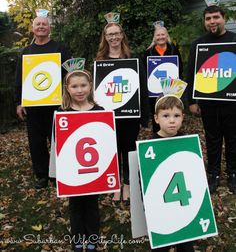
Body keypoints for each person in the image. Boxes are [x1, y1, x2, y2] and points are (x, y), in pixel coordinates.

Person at [96, 21, 150, 202]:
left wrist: (144, 116)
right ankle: (114, 184)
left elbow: (143, 87)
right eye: (110, 34)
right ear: (105, 37)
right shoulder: (100, 61)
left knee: (128, 148)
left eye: (116, 33)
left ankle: (127, 184)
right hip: (108, 117)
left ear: (122, 35)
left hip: (130, 116)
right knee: (112, 150)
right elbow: (96, 92)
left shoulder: (133, 58)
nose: (113, 37)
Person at [15, 16, 70, 189]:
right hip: (33, 106)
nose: (41, 27)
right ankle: (42, 176)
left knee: (58, 141)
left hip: (57, 105)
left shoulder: (60, 48)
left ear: (49, 28)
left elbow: (70, 75)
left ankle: (58, 174)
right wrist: (19, 102)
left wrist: (70, 98)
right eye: (38, 24)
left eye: (44, 24)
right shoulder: (26, 52)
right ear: (33, 28)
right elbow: (19, 79)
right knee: (36, 143)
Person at [187, 5, 236, 194]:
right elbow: (191, 73)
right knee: (212, 139)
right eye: (208, 19)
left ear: (224, 18)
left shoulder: (234, 40)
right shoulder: (197, 44)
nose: (212, 22)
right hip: (208, 103)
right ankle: (213, 174)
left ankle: (233, 174)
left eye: (216, 17)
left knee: (233, 139)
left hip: (232, 103)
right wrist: (191, 101)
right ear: (204, 22)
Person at [60, 69, 103, 252]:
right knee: (75, 205)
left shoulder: (100, 111)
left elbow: (105, 142)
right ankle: (77, 240)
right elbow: (58, 144)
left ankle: (92, 238)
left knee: (92, 204)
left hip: (94, 169)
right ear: (67, 89)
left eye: (83, 85)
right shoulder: (62, 113)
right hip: (73, 170)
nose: (79, 90)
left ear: (90, 86)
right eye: (74, 86)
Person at [152, 95, 195, 252]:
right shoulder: (149, 148)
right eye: (166, 116)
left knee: (186, 246)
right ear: (156, 119)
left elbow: (193, 175)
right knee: (161, 247)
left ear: (183, 117)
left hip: (183, 206)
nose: (172, 120)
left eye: (176, 116)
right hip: (161, 209)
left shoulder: (188, 143)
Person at [143, 25, 183, 132]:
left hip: (171, 89)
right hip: (154, 92)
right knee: (158, 113)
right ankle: (157, 135)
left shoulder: (174, 50)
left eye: (163, 34)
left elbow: (180, 69)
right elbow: (144, 72)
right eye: (158, 35)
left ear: (167, 36)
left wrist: (178, 87)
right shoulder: (148, 52)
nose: (160, 37)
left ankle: (174, 136)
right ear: (154, 37)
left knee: (172, 113)